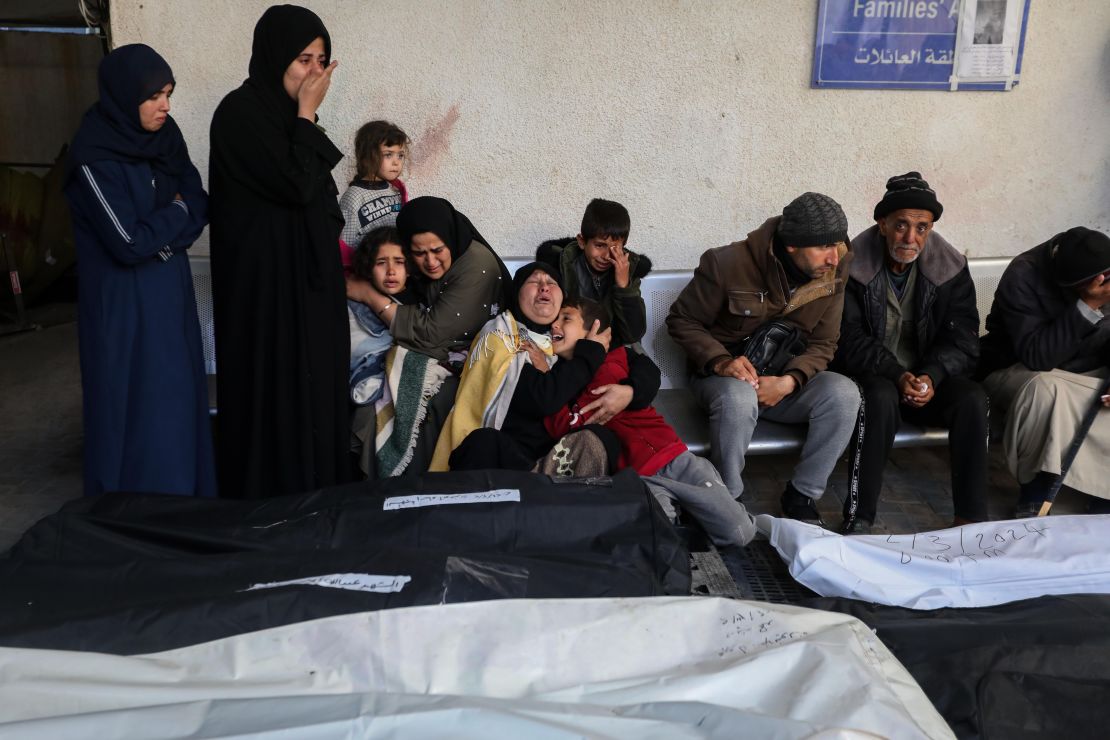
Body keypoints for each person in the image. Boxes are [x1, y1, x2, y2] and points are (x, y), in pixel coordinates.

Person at [208, 5, 350, 499]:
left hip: (308, 281)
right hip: (265, 289)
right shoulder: (241, 114)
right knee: (274, 386)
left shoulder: (293, 119)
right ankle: (270, 497)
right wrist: (307, 115)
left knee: (317, 382)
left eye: (322, 60)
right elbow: (294, 184)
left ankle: (319, 490)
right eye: (303, 59)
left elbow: (320, 196)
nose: (314, 72)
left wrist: (305, 120)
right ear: (274, 58)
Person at [64, 44, 214, 498]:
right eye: (152, 96)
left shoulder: (166, 140)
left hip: (168, 290)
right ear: (124, 96)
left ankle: (184, 498)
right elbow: (127, 242)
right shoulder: (93, 155)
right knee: (129, 401)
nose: (165, 105)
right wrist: (176, 214)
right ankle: (131, 508)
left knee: (176, 398)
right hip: (123, 302)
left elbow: (201, 203)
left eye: (168, 93)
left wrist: (169, 222)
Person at [666, 192, 861, 525]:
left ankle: (802, 495)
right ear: (792, 246)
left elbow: (825, 343)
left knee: (845, 394)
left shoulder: (836, 268)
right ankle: (728, 498)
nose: (834, 257)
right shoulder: (726, 263)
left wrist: (789, 381)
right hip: (723, 380)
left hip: (783, 381)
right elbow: (681, 320)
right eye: (823, 247)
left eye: (838, 245)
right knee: (738, 398)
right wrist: (720, 361)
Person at [833, 173, 989, 534]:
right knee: (879, 396)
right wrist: (897, 375)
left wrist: (931, 377)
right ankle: (860, 517)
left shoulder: (950, 268)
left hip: (925, 380)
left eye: (922, 227)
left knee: (972, 399)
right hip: (876, 376)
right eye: (901, 225)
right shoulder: (852, 267)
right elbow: (846, 339)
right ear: (883, 224)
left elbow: (965, 339)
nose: (910, 237)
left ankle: (971, 519)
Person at [545, 299, 758, 547]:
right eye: (553, 320)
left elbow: (581, 416)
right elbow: (564, 427)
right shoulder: (562, 379)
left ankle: (701, 507)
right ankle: (686, 515)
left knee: (739, 533)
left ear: (594, 331)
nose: (554, 325)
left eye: (566, 318)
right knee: (658, 539)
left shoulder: (610, 361)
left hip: (676, 460)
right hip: (637, 478)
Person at [438, 263, 660, 473]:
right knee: (482, 443)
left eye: (552, 282)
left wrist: (630, 392)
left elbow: (645, 366)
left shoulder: (572, 339)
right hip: (515, 461)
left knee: (601, 439)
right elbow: (544, 398)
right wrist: (589, 354)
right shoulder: (502, 337)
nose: (544, 286)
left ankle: (554, 495)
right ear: (517, 294)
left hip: (562, 458)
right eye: (534, 282)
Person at [346, 196, 512, 475]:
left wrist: (370, 296)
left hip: (469, 362)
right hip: (439, 353)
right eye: (419, 254)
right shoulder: (415, 270)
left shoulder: (476, 266)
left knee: (422, 402)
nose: (430, 262)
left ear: (451, 238)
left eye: (437, 250)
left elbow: (432, 334)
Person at [978, 226, 1110, 516]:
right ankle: (1038, 486)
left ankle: (1103, 492)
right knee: (1046, 389)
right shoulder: (1024, 274)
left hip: (1087, 372)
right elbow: (1038, 356)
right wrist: (1088, 305)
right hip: (1017, 369)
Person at [536, 198, 650, 346]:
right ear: (582, 242)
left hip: (610, 349)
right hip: (567, 348)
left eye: (615, 248)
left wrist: (624, 287)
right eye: (599, 245)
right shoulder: (561, 265)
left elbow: (633, 334)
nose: (606, 256)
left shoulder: (627, 269)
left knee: (645, 369)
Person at [346, 226, 413, 406]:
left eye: (399, 262)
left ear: (409, 268)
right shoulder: (356, 296)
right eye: (381, 262)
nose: (391, 270)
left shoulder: (418, 304)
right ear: (368, 267)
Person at [338, 120, 409, 267]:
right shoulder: (354, 196)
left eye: (400, 155)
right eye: (388, 155)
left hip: (395, 268)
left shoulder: (395, 190)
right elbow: (345, 246)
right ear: (366, 157)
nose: (396, 162)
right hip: (368, 270)